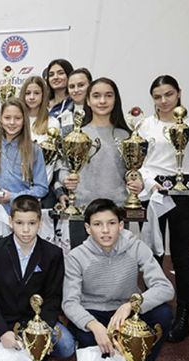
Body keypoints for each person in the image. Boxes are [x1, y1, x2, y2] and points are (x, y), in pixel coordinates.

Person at [62, 199, 173, 361]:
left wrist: (131, 305)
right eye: (97, 224)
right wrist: (94, 326)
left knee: (164, 314)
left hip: (125, 311)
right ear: (87, 228)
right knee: (88, 340)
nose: (105, 230)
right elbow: (69, 302)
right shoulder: (76, 256)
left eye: (111, 223)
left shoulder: (136, 246)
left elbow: (165, 288)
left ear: (121, 225)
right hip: (94, 312)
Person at [138, 75, 189, 342]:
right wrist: (150, 183)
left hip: (184, 195)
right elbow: (140, 163)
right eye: (157, 96)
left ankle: (183, 316)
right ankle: (154, 311)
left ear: (179, 93)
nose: (164, 101)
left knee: (181, 258)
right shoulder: (146, 126)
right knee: (151, 257)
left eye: (168, 94)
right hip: (154, 195)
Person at [0, 195, 74, 361]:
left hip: (36, 322)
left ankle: (40, 360)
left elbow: (54, 297)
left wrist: (42, 334)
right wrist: (2, 331)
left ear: (40, 222)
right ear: (10, 221)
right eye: (20, 223)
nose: (26, 229)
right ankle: (20, 358)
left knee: (66, 346)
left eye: (32, 223)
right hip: (6, 320)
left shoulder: (52, 254)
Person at [57, 77, 139, 248]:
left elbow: (133, 172)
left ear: (115, 99)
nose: (102, 101)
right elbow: (65, 168)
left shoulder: (126, 136)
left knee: (117, 268)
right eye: (96, 96)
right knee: (83, 268)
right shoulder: (76, 136)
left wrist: (138, 182)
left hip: (116, 212)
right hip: (82, 211)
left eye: (108, 95)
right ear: (88, 100)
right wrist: (67, 179)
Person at [0, 98, 48, 237]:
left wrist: (13, 196)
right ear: (0, 119)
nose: (12, 122)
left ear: (24, 120)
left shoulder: (34, 150)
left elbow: (41, 188)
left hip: (20, 217)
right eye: (7, 118)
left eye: (17, 118)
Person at [20, 76, 61, 209]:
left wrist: (37, 190)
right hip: (16, 189)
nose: (32, 97)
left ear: (44, 95)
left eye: (36, 93)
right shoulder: (16, 121)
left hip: (42, 191)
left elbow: (52, 162)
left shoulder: (53, 123)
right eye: (28, 93)